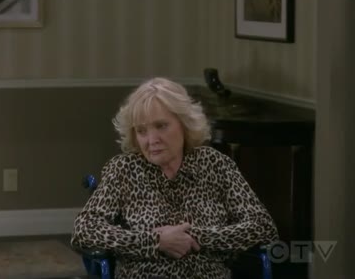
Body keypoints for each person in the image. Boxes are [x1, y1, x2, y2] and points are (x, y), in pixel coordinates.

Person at [71, 77, 278, 279]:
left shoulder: (215, 164)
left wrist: (196, 237)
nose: (152, 140)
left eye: (161, 126)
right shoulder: (123, 169)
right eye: (142, 131)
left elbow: (263, 226)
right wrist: (155, 242)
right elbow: (84, 230)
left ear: (184, 124)